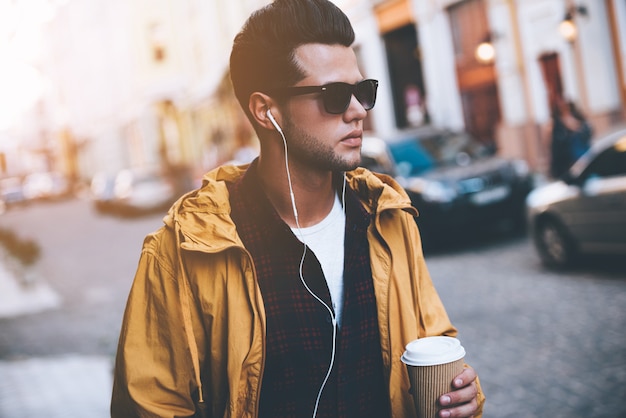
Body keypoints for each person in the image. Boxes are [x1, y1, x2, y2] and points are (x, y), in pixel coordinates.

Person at [111, 1, 485, 417]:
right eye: (335, 95)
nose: (359, 110)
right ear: (266, 111)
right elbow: (149, 405)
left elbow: (435, 342)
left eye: (363, 92)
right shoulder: (187, 247)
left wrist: (462, 396)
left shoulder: (387, 216)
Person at [549, 97, 592, 178]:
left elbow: (586, 129)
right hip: (568, 154)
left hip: (581, 148)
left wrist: (576, 127)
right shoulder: (557, 122)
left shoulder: (577, 116)